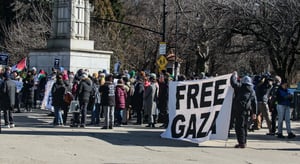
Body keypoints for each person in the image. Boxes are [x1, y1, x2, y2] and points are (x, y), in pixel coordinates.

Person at [230, 71, 257, 148]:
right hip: (247, 110)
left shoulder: (241, 87)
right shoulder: (252, 90)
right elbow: (254, 102)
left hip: (239, 109)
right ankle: (244, 141)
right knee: (244, 126)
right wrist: (254, 113)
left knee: (239, 126)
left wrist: (233, 75)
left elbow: (233, 83)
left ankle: (241, 142)